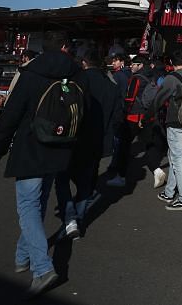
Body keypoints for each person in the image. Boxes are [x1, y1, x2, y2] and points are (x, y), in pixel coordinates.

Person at [0, 31, 81, 298]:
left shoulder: (30, 74)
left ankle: (42, 268)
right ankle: (23, 256)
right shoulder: (76, 75)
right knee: (38, 203)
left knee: (29, 205)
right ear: (64, 48)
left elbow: (11, 114)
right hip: (60, 146)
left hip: (30, 148)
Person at [55, 50, 119, 240]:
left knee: (62, 179)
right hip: (96, 141)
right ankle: (79, 217)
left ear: (83, 63)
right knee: (86, 183)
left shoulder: (75, 81)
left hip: (72, 139)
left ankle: (70, 217)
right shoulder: (111, 86)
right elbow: (117, 117)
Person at [107, 56, 166, 189]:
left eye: (134, 64)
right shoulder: (153, 76)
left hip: (133, 117)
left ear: (140, 65)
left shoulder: (136, 78)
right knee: (149, 144)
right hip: (148, 116)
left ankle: (121, 177)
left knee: (123, 146)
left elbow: (130, 98)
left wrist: (124, 114)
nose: (131, 66)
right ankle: (156, 170)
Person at [153, 51, 182, 210]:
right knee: (174, 156)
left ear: (172, 62)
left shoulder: (171, 78)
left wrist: (148, 115)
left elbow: (159, 99)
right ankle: (169, 191)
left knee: (178, 160)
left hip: (175, 121)